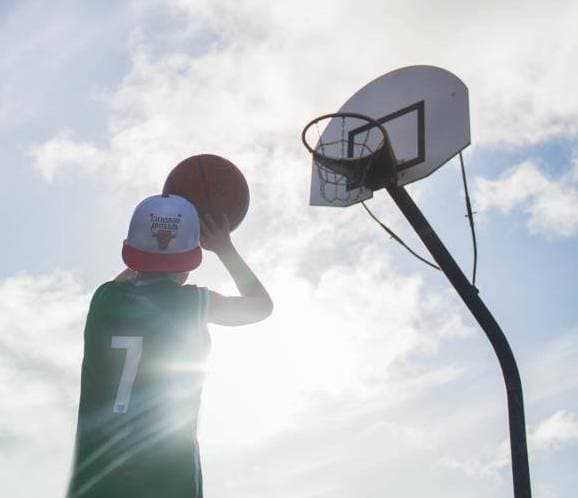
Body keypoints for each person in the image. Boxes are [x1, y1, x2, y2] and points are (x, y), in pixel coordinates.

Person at [67, 194, 273, 498]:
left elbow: (131, 275)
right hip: (167, 483)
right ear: (189, 261)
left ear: (131, 253)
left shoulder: (103, 300)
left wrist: (156, 231)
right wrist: (224, 248)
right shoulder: (191, 303)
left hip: (97, 487)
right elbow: (261, 307)